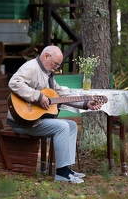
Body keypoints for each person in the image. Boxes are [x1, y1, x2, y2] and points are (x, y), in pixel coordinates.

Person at [7, 45, 102, 183]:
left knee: (72, 125)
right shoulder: (31, 67)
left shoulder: (48, 75)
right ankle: (61, 173)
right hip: (22, 121)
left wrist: (85, 104)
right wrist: (38, 97)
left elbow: (62, 94)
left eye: (58, 64)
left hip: (35, 121)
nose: (56, 67)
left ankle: (66, 168)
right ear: (46, 56)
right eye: (55, 63)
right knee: (62, 126)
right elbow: (14, 83)